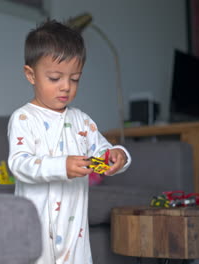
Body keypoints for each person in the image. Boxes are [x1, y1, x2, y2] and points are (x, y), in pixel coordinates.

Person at [7, 20, 131, 264]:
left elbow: (104, 150)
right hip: (38, 223)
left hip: (75, 227)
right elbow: (19, 163)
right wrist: (61, 166)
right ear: (31, 75)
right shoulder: (23, 118)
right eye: (55, 78)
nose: (66, 86)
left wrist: (118, 155)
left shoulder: (81, 121)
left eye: (74, 79)